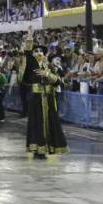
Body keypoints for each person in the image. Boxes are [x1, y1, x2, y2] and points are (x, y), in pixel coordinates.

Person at [22, 28, 68, 159]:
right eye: (36, 51)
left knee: (50, 123)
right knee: (37, 123)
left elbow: (59, 81)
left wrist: (47, 74)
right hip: (36, 99)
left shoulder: (50, 67)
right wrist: (30, 37)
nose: (39, 53)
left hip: (49, 99)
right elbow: (27, 54)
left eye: (41, 51)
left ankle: (48, 148)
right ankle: (38, 149)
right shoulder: (31, 66)